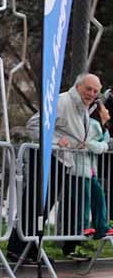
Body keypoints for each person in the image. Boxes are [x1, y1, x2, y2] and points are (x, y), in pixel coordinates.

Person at [11, 73, 100, 262]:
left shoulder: (82, 107)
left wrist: (77, 143)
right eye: (88, 89)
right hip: (47, 158)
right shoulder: (62, 102)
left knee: (43, 207)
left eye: (95, 91)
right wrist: (58, 141)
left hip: (62, 161)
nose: (91, 93)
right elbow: (34, 125)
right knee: (34, 204)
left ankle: (30, 248)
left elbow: (70, 131)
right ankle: (19, 249)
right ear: (78, 87)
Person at [64, 98, 111, 259]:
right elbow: (92, 145)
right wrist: (103, 146)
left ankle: (102, 226)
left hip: (90, 170)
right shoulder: (90, 124)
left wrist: (103, 144)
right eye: (105, 109)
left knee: (98, 197)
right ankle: (82, 226)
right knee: (83, 199)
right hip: (78, 169)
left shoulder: (100, 126)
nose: (108, 112)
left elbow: (103, 142)